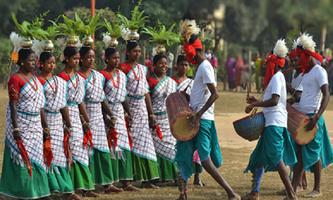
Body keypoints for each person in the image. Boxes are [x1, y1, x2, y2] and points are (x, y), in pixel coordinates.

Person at [175, 39, 240, 200]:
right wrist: (188, 98)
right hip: (196, 117)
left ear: (195, 52)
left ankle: (230, 192)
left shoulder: (205, 67)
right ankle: (183, 194)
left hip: (202, 120)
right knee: (184, 152)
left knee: (204, 159)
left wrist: (198, 114)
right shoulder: (201, 67)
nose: (189, 60)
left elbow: (215, 93)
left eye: (189, 55)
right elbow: (202, 95)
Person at [243, 39, 297, 200]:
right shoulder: (278, 78)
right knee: (258, 158)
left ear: (274, 63)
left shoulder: (276, 78)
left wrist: (256, 104)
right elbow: (273, 100)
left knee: (276, 158)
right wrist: (256, 101)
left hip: (274, 124)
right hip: (272, 123)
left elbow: (274, 101)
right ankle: (255, 192)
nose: (266, 66)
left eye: (268, 63)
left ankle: (292, 195)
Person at [0, 47, 51, 199]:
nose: (34, 63)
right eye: (30, 60)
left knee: (38, 158)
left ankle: (40, 191)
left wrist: (45, 125)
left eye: (35, 60)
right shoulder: (15, 79)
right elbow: (13, 105)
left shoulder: (36, 79)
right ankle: (21, 191)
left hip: (35, 124)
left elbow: (41, 105)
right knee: (22, 157)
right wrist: (15, 127)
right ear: (21, 61)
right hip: (21, 123)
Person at [290, 34, 333, 198]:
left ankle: (317, 188)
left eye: (300, 57)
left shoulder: (319, 71)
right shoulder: (306, 74)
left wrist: (317, 116)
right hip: (302, 117)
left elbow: (326, 94)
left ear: (307, 55)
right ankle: (293, 188)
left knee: (314, 154)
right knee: (300, 153)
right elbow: (301, 96)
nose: (298, 60)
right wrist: (291, 100)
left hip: (313, 118)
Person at [37, 48, 81, 200]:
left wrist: (68, 123)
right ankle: (51, 187)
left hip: (57, 120)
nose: (52, 66)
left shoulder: (60, 81)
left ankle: (66, 189)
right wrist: (44, 126)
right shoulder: (38, 82)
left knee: (61, 154)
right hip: (44, 119)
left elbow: (63, 105)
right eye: (49, 63)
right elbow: (40, 106)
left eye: (53, 63)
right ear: (41, 64)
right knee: (47, 153)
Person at [78, 45, 122, 193]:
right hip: (84, 116)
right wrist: (84, 121)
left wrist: (110, 115)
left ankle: (107, 184)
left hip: (98, 115)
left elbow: (102, 98)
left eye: (92, 57)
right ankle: (88, 187)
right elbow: (79, 101)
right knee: (88, 152)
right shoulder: (78, 78)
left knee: (103, 150)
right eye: (88, 57)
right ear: (81, 59)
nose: (91, 60)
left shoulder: (98, 76)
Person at [58, 45, 97, 197]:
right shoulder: (61, 78)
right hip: (64, 115)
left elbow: (80, 101)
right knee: (70, 150)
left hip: (76, 115)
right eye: (74, 58)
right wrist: (67, 123)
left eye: (77, 59)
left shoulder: (79, 78)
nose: (76, 61)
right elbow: (61, 102)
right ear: (66, 59)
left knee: (81, 150)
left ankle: (84, 186)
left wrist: (86, 120)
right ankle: (71, 188)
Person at [120, 40, 160, 188]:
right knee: (131, 142)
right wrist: (126, 112)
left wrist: (151, 114)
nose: (137, 54)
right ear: (128, 52)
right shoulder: (122, 68)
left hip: (142, 109)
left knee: (146, 143)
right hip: (128, 107)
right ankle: (130, 178)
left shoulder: (143, 69)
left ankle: (147, 179)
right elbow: (120, 92)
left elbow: (146, 92)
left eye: (139, 51)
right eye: (134, 51)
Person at [101, 46, 139, 191]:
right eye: (113, 58)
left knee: (124, 145)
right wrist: (107, 116)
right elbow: (101, 98)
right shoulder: (102, 75)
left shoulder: (122, 75)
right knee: (111, 146)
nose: (116, 61)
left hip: (120, 113)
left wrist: (128, 112)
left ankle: (126, 181)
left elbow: (124, 97)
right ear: (106, 59)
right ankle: (110, 182)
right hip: (107, 112)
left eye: (118, 58)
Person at [173, 55, 205, 186]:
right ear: (177, 65)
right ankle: (180, 176)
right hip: (175, 117)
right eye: (182, 64)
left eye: (186, 65)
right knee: (180, 148)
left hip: (189, 117)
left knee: (195, 148)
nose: (184, 67)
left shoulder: (192, 82)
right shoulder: (171, 81)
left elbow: (195, 99)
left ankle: (197, 177)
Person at [147, 54, 178, 183]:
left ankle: (174, 176)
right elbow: (147, 98)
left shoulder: (171, 82)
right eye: (161, 63)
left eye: (165, 63)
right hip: (155, 118)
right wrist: (151, 116)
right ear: (154, 65)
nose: (164, 66)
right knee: (156, 147)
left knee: (171, 146)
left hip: (168, 118)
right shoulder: (150, 81)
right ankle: (158, 176)